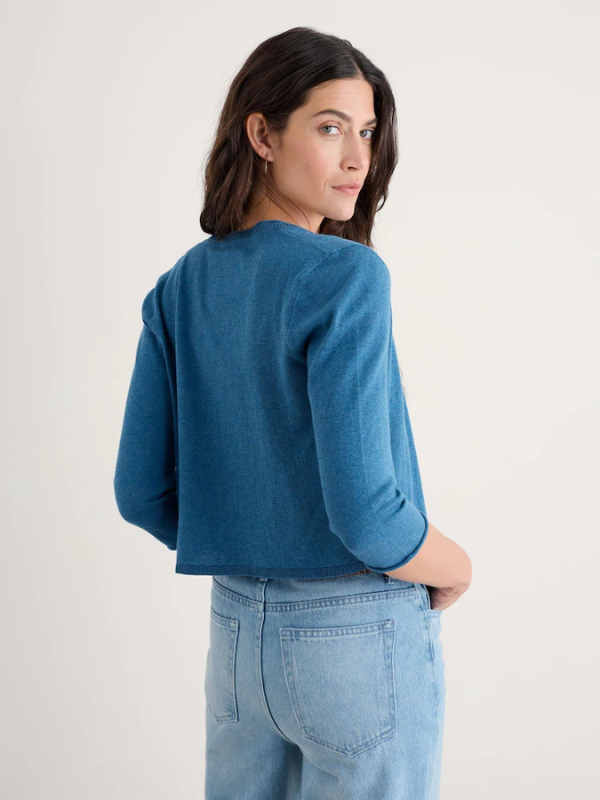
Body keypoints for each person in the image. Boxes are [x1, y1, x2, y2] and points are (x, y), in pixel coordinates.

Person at [113, 25, 472, 800]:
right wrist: (453, 564)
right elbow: (368, 514)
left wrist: (253, 536)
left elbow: (140, 493)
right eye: (331, 127)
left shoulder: (179, 288)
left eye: (367, 132)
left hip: (238, 636)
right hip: (356, 639)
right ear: (263, 135)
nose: (358, 159)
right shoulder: (347, 276)